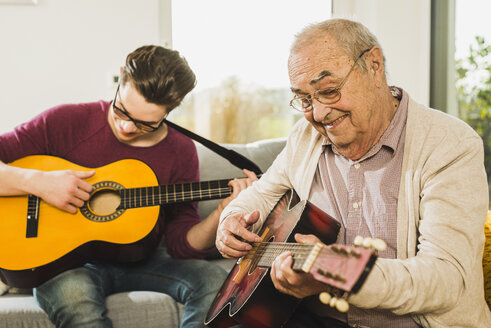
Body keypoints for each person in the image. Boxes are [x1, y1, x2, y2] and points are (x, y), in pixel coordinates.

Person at [215, 18, 491, 327]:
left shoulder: (449, 144)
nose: (317, 114)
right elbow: (262, 192)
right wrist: (231, 222)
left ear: (374, 66)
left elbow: (445, 280)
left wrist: (335, 275)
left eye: (329, 91)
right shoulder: (304, 138)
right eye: (305, 99)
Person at [0, 45, 256, 328]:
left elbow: (182, 245)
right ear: (121, 77)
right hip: (66, 265)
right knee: (75, 296)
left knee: (214, 281)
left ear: (170, 110)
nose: (126, 127)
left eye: (145, 124)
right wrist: (40, 183)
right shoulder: (65, 122)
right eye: (121, 110)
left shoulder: (180, 152)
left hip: (145, 259)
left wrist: (222, 212)